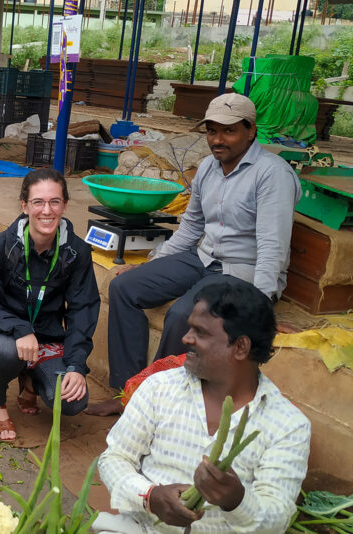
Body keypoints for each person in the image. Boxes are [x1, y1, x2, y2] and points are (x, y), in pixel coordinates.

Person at [87, 93, 302, 417]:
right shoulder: (207, 169)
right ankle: (128, 393)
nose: (218, 139)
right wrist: (150, 265)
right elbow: (190, 230)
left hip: (241, 270)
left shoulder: (272, 174)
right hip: (202, 258)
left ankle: (160, 405)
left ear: (251, 130)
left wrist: (262, 306)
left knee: (183, 315)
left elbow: (273, 246)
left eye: (228, 131)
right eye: (212, 130)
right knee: (125, 287)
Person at [96, 279, 311, 534]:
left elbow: (277, 520)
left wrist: (237, 501)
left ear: (241, 347)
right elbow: (115, 458)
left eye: (201, 332)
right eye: (190, 328)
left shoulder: (288, 425)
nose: (186, 338)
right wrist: (150, 496)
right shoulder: (160, 387)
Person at [0, 169, 100, 442]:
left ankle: (29, 383)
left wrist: (76, 366)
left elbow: (82, 311)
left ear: (64, 205)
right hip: (0, 336)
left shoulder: (77, 253)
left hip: (47, 342)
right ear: (24, 205)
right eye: (38, 202)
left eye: (54, 202)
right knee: (6, 352)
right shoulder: (1, 246)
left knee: (73, 402)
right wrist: (20, 328)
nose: (46, 211)